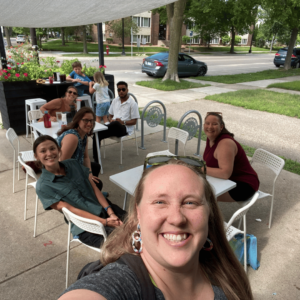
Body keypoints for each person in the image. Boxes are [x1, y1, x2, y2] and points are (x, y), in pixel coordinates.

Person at [58, 157, 253, 300]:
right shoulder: (121, 282)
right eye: (160, 201)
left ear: (209, 214)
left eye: (190, 202)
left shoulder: (227, 276)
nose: (177, 218)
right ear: (138, 214)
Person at [34, 135, 126, 248]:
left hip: (104, 209)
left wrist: (110, 212)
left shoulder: (73, 164)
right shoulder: (43, 186)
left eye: (52, 148)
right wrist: (104, 222)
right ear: (36, 156)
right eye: (43, 151)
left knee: (140, 225)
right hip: (86, 227)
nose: (49, 153)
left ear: (58, 150)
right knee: (126, 244)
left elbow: (94, 188)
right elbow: (71, 210)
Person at [203, 112, 259, 202]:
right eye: (207, 123)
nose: (209, 127)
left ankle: (208, 215)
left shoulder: (225, 143)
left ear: (221, 127)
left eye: (214, 124)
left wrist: (201, 168)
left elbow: (225, 173)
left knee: (201, 196)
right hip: (227, 180)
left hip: (244, 185)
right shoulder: (210, 138)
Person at [93, 81, 140, 163]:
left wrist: (123, 122)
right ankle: (96, 161)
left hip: (125, 129)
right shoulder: (115, 100)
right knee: (97, 135)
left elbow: (134, 121)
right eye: (119, 90)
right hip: (113, 126)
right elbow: (110, 115)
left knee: (116, 124)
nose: (121, 91)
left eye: (123, 89)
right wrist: (111, 119)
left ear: (127, 90)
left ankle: (102, 127)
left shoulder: (132, 103)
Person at [56, 107, 102, 190]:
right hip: (61, 174)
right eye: (85, 120)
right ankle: (91, 195)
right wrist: (84, 176)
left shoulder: (84, 136)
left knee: (95, 167)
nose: (89, 124)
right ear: (78, 120)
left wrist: (89, 174)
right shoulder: (72, 137)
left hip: (74, 166)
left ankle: (94, 193)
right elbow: (62, 165)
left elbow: (85, 157)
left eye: (91, 120)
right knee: (97, 184)